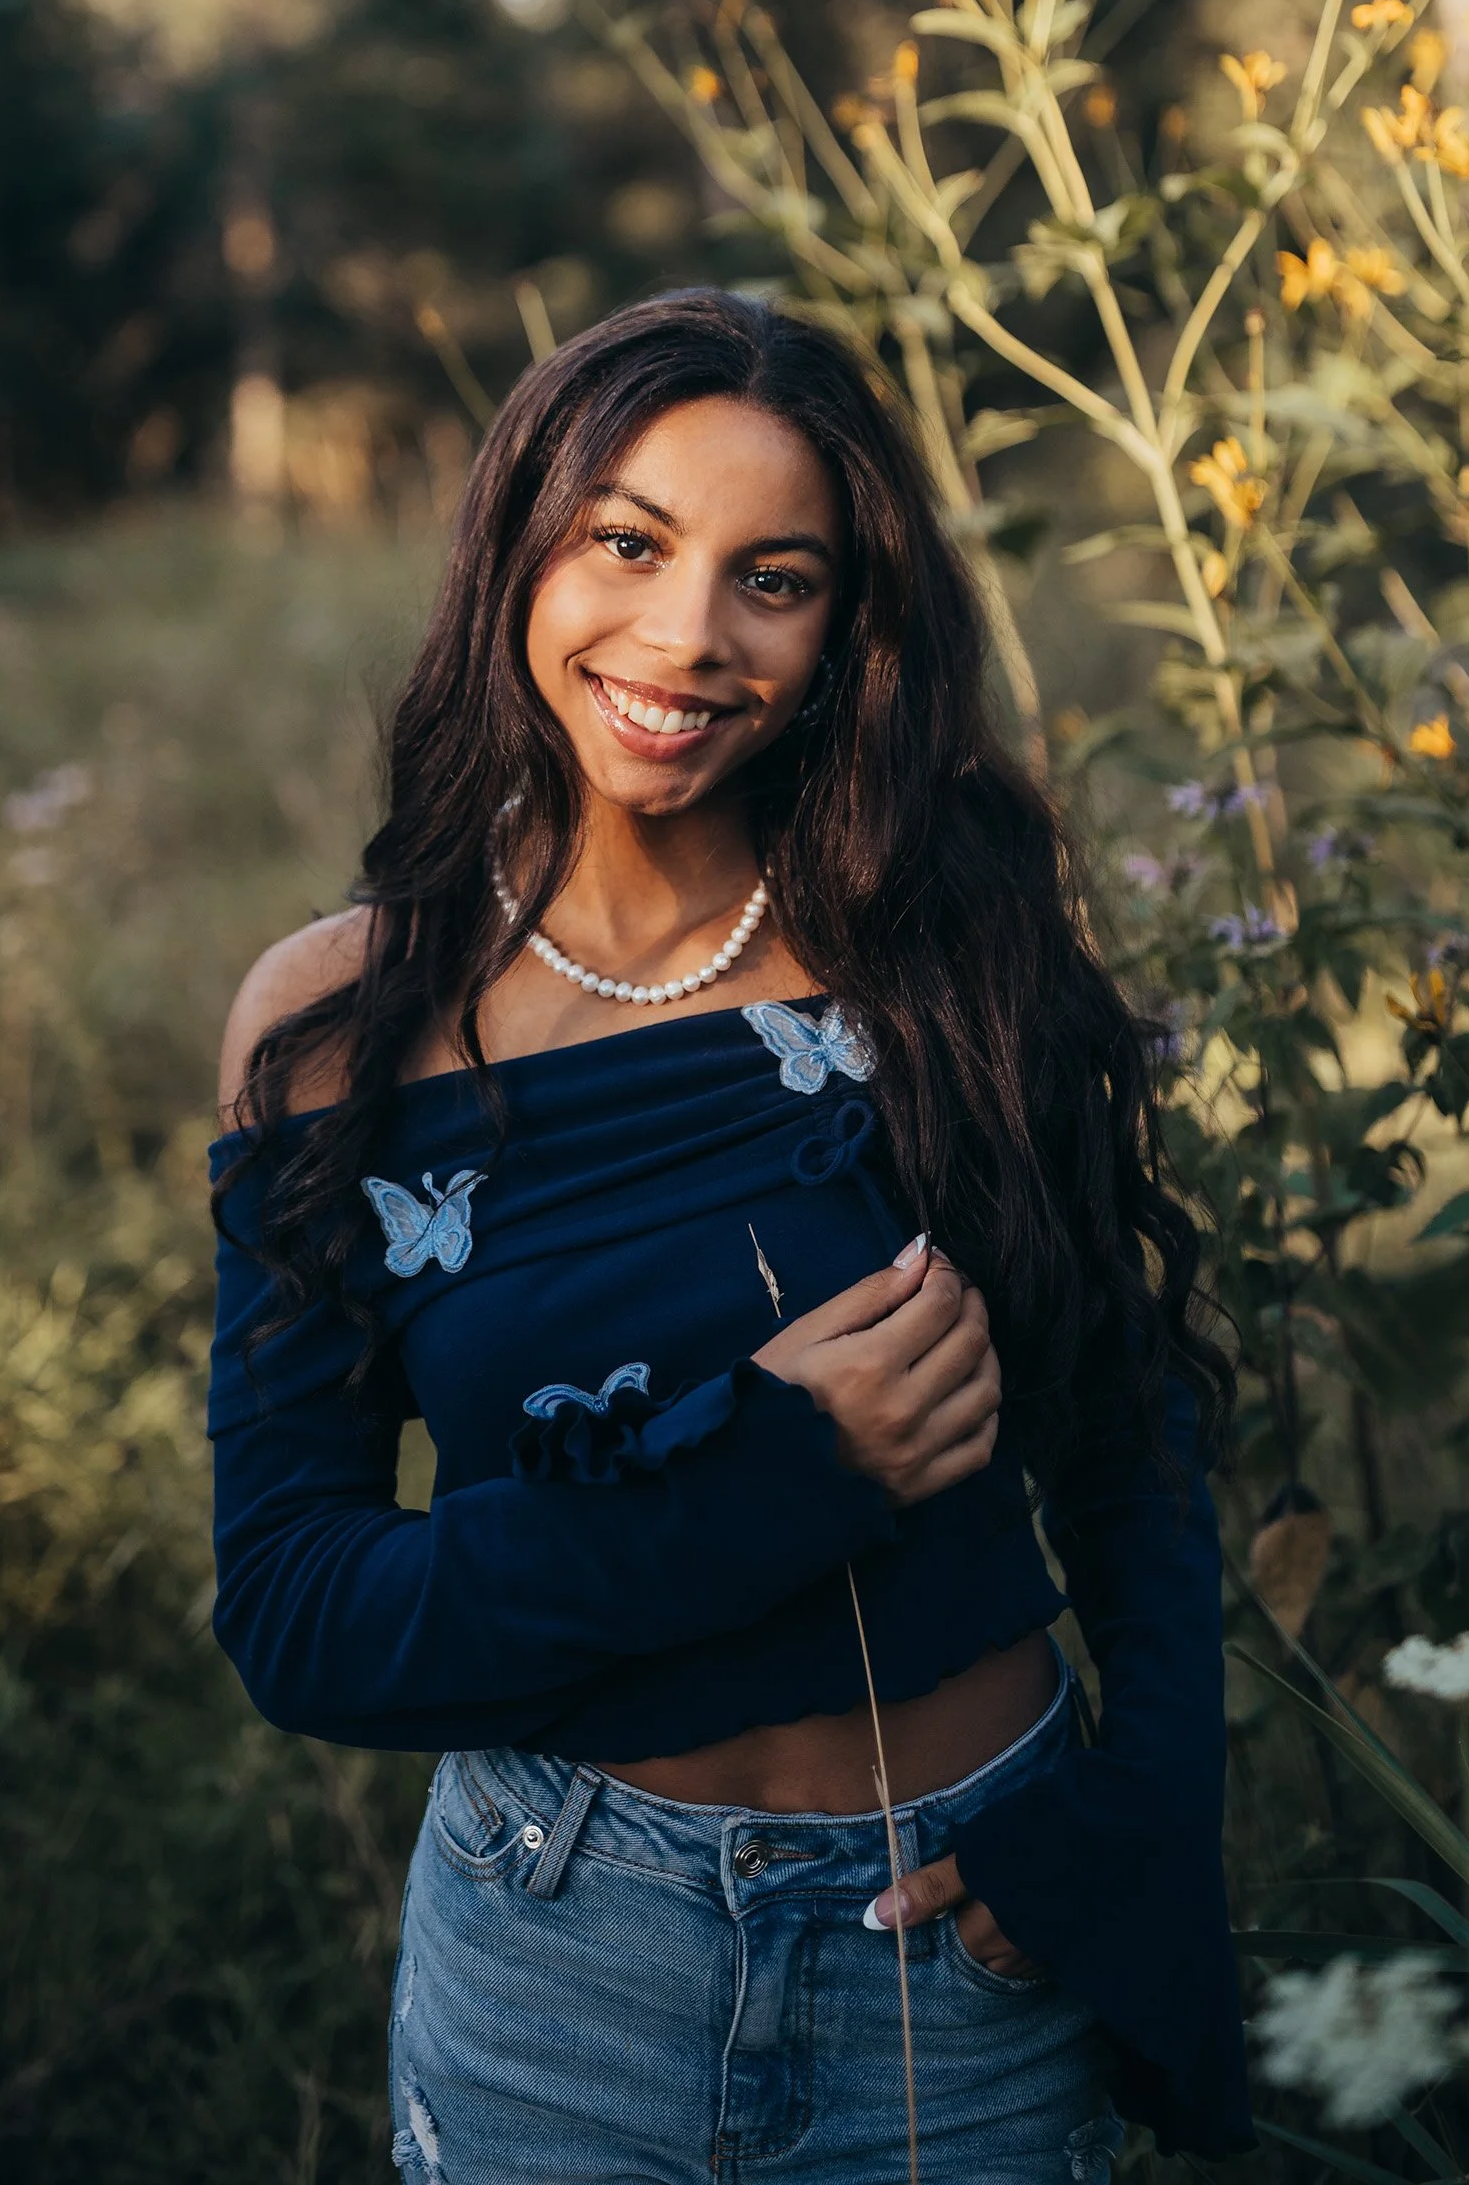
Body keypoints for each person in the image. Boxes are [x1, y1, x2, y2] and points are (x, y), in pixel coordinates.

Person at [208, 290, 1249, 2180]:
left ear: (851, 625)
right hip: (564, 1963)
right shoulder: (339, 1036)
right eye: (627, 543)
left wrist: (1141, 1804)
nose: (685, 638)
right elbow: (295, 1615)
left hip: (965, 1941)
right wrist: (780, 1476)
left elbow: (1123, 1424)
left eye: (775, 578)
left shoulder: (945, 944)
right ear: (517, 550)